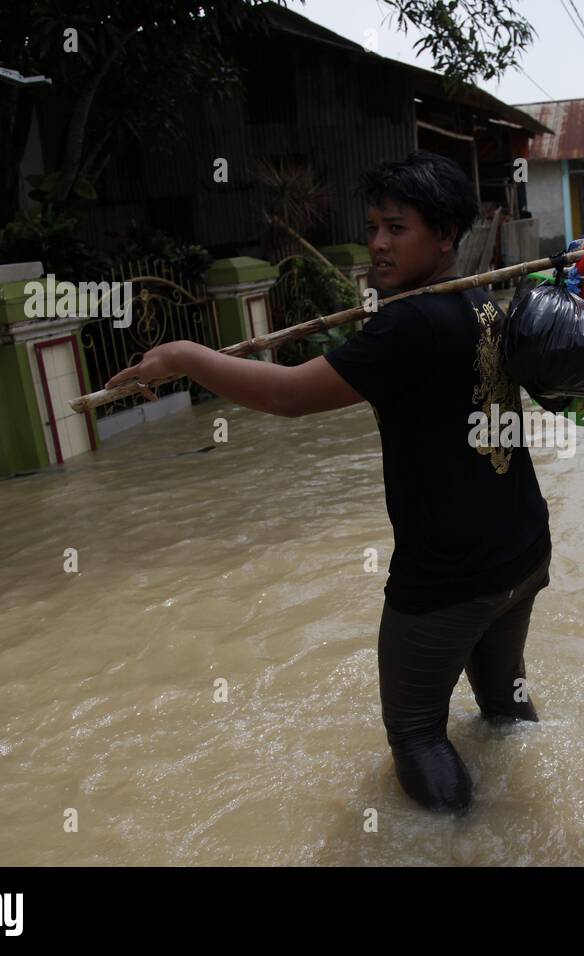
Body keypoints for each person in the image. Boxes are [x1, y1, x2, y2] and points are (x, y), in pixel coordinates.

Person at [103, 151, 551, 816]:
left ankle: (463, 847)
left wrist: (184, 358)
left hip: (448, 577)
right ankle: (527, 814)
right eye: (373, 225)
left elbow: (288, 396)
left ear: (447, 236)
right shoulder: (483, 304)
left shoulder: (409, 322)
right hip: (521, 553)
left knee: (416, 731)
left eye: (396, 228)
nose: (376, 243)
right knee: (503, 705)